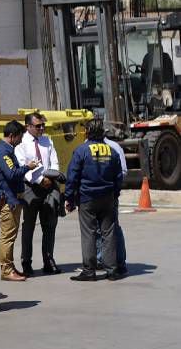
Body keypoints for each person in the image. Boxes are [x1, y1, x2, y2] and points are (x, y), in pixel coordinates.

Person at [64, 119, 123, 281]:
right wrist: (115, 194)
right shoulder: (113, 151)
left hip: (87, 198)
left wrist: (69, 197)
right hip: (107, 198)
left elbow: (72, 176)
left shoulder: (81, 150)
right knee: (108, 233)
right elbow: (119, 177)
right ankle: (112, 270)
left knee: (89, 234)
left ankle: (89, 270)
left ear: (88, 132)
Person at [0, 120, 39, 282]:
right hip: (8, 201)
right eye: (19, 137)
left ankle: (10, 267)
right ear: (12, 136)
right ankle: (6, 270)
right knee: (7, 236)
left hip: (13, 199)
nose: (20, 141)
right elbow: (12, 174)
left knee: (11, 236)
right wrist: (28, 167)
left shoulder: (8, 150)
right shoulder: (3, 153)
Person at [15, 112, 61, 276]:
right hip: (31, 187)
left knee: (49, 224)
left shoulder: (47, 140)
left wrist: (50, 176)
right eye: (38, 126)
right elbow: (22, 165)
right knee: (29, 226)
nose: (41, 128)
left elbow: (54, 161)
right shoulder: (21, 143)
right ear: (28, 126)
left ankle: (48, 259)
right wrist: (39, 179)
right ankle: (26, 262)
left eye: (43, 125)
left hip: (49, 185)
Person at [100, 133, 128, 275]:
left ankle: (120, 262)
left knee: (113, 228)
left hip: (109, 195)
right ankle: (103, 261)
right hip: (93, 196)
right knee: (97, 230)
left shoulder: (113, 147)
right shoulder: (86, 145)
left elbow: (122, 171)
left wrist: (114, 190)